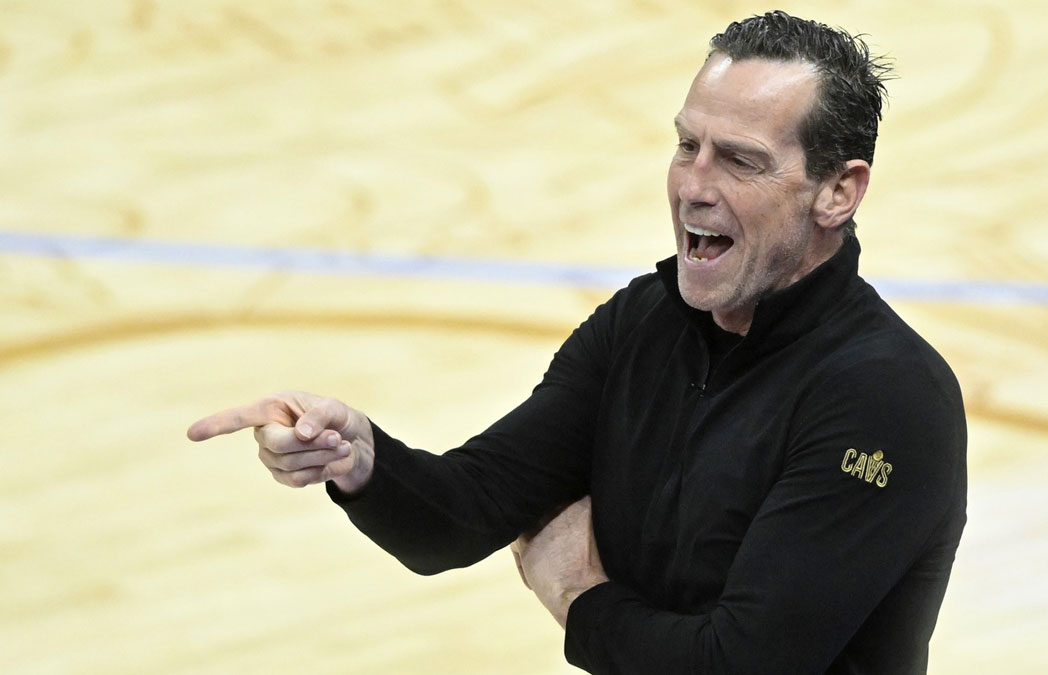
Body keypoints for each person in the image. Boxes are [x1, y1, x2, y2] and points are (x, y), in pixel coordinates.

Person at [188, 11, 967, 674]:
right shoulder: (643, 324)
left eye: (739, 160)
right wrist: (361, 460)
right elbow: (462, 512)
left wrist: (576, 595)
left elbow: (740, 663)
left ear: (838, 191)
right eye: (686, 146)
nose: (694, 186)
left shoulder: (885, 399)